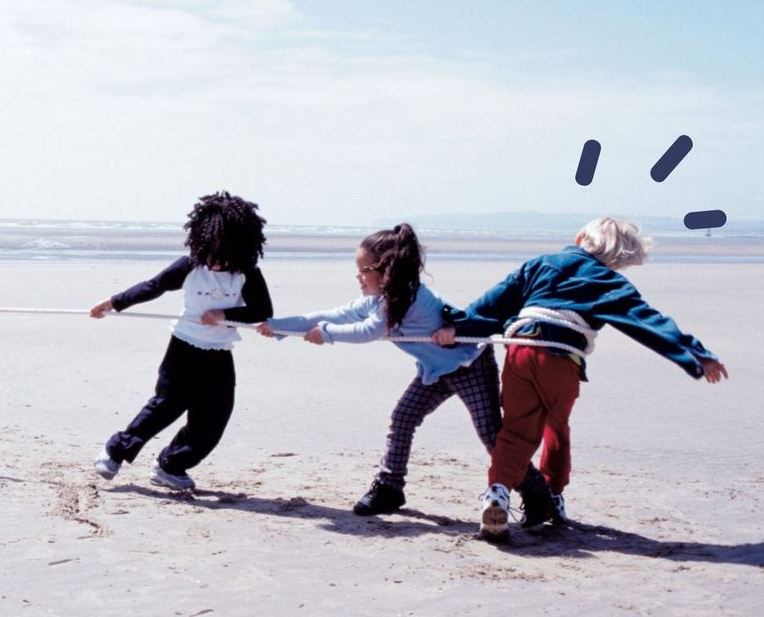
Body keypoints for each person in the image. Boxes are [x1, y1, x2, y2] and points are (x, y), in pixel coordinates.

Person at [433, 216, 728, 542]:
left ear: (579, 238)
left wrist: (456, 327)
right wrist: (696, 355)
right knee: (555, 428)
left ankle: (496, 494)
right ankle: (555, 498)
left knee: (515, 431)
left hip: (519, 350)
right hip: (561, 359)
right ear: (618, 260)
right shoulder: (608, 281)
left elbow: (493, 302)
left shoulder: (540, 264)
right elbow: (647, 322)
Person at [257, 224, 551, 521]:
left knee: (491, 434)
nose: (358, 276)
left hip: (468, 363)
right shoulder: (378, 300)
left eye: (364, 270)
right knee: (403, 417)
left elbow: (367, 331)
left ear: (387, 272)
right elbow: (329, 315)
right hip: (435, 371)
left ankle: (538, 494)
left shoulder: (406, 298)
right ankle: (389, 488)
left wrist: (327, 335)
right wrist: (279, 325)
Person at [89, 191, 272, 491]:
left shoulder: (246, 274)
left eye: (224, 253)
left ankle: (170, 465)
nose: (216, 260)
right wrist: (113, 302)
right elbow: (154, 286)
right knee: (165, 406)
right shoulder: (190, 266)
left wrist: (225, 312)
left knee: (214, 420)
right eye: (212, 250)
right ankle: (115, 451)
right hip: (183, 348)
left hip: (219, 353)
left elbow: (262, 311)